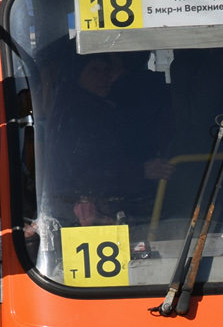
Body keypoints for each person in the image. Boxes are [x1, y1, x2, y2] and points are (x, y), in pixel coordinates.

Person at [44, 51, 173, 226]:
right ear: (76, 74)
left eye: (107, 70)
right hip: (87, 216)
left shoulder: (93, 107)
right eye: (94, 70)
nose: (104, 77)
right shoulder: (77, 117)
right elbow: (87, 177)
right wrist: (141, 171)